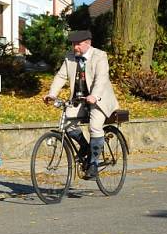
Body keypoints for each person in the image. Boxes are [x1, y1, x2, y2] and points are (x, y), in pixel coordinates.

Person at [44, 29, 119, 178]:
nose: (75, 47)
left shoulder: (99, 56)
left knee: (95, 127)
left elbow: (101, 78)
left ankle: (93, 164)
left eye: (78, 44)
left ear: (88, 43)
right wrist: (52, 94)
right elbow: (61, 76)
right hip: (79, 99)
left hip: (99, 99)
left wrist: (94, 96)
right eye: (73, 44)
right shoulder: (70, 57)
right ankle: (85, 147)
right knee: (67, 123)